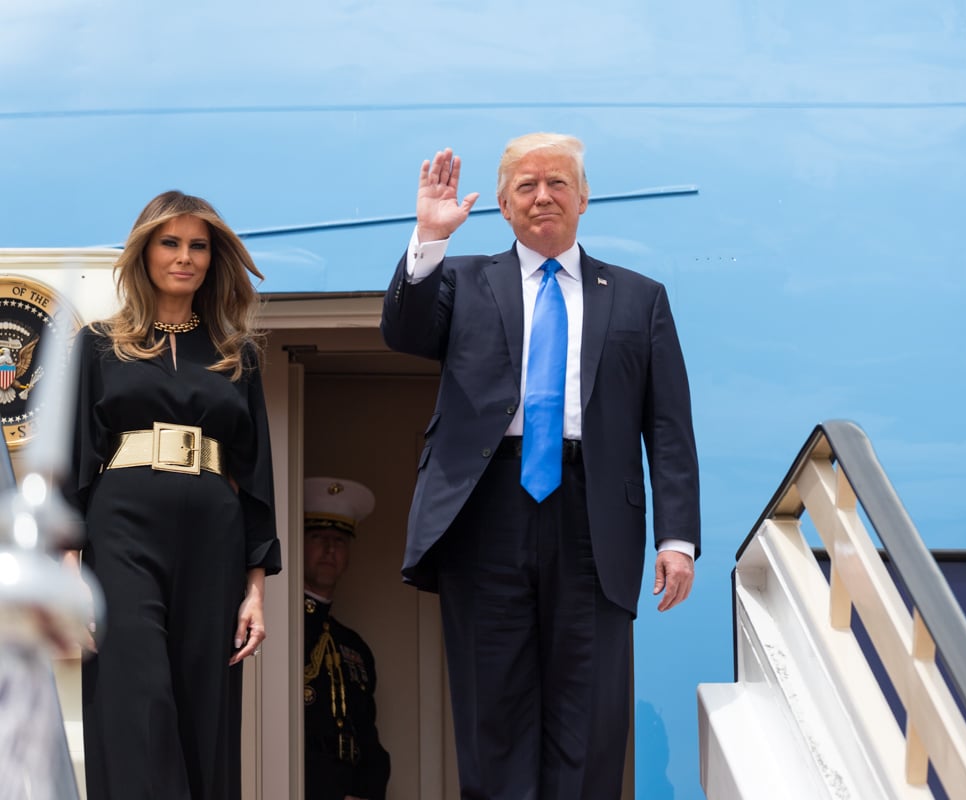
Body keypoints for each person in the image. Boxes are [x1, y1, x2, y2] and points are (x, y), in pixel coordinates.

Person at [380, 133, 701, 799]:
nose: (543, 196)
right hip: (487, 508)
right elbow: (406, 332)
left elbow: (666, 427)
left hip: (594, 516)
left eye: (557, 183)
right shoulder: (462, 279)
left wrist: (677, 538)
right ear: (502, 204)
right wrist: (429, 237)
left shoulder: (640, 298)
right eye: (526, 186)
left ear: (584, 197)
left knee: (590, 718)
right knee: (492, 711)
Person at [64, 190, 280, 799]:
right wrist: (69, 571)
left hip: (214, 533)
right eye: (170, 242)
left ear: (214, 259)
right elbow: (76, 462)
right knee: (139, 698)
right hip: (122, 528)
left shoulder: (238, 355)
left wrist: (256, 592)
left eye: (198, 246)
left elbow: (256, 479)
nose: (184, 257)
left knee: (202, 706)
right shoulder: (100, 344)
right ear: (144, 251)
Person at [302, 476, 391, 800]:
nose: (329, 549)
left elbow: (366, 734)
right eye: (318, 537)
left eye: (339, 540)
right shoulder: (279, 634)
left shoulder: (353, 647)